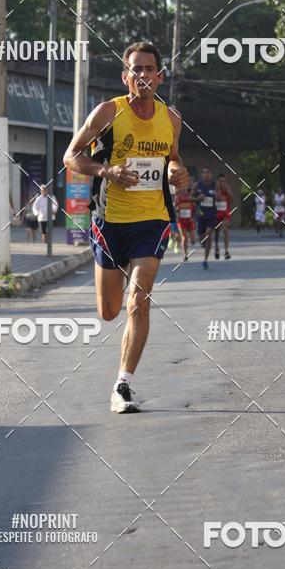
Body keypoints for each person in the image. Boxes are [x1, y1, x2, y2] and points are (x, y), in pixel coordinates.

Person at [63, 42, 188, 414]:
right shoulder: (108, 112)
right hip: (110, 223)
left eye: (149, 69)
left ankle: (122, 385)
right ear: (125, 76)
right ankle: (113, 291)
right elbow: (71, 156)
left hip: (152, 220)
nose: (143, 75)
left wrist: (177, 172)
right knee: (109, 311)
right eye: (136, 69)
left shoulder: (172, 118)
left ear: (159, 77)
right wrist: (106, 171)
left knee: (139, 301)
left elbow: (173, 159)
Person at [191, 167, 217, 269]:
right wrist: (198, 198)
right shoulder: (197, 185)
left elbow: (221, 197)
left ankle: (205, 260)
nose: (206, 174)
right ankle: (202, 242)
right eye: (205, 172)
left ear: (211, 174)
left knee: (209, 235)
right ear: (202, 174)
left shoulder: (215, 185)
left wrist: (217, 196)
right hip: (201, 214)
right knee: (202, 239)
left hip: (212, 214)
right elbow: (190, 198)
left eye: (208, 172)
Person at [214, 172, 233, 260]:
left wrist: (228, 193)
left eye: (224, 181)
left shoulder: (227, 188)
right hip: (216, 213)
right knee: (217, 231)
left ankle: (226, 251)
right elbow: (214, 199)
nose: (222, 183)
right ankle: (216, 248)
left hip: (225, 212)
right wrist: (218, 193)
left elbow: (232, 200)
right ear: (217, 182)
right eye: (221, 181)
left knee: (225, 230)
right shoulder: (214, 189)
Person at [176, 185, 196, 260]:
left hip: (190, 221)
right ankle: (185, 255)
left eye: (185, 188)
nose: (184, 189)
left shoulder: (190, 197)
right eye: (182, 188)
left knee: (193, 241)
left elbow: (194, 208)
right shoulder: (178, 197)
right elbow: (175, 207)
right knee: (184, 237)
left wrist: (193, 217)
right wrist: (177, 209)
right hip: (181, 221)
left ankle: (191, 238)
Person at [167, 183, 181, 254]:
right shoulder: (169, 197)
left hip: (180, 218)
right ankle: (170, 238)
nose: (176, 190)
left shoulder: (181, 197)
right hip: (172, 218)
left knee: (178, 234)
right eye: (175, 189)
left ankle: (176, 246)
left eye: (177, 189)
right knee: (172, 233)